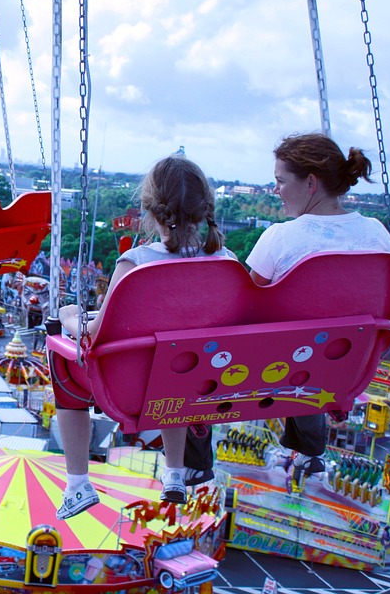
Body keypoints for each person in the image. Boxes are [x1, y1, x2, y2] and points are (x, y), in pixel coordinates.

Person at [185, 132, 390, 485]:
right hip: (342, 367)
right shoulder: (379, 237)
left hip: (270, 369)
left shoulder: (282, 237)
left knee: (205, 345)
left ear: (311, 183)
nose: (275, 191)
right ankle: (309, 450)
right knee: (313, 353)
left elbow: (244, 309)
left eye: (280, 182)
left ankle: (194, 460)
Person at [55, 155, 232, 517]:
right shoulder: (225, 261)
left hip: (129, 388)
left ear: (151, 210)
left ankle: (77, 484)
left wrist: (70, 317)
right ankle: (174, 474)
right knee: (179, 360)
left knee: (60, 357)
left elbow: (94, 334)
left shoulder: (136, 262)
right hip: (196, 380)